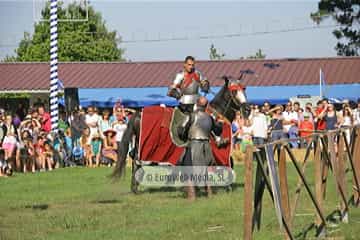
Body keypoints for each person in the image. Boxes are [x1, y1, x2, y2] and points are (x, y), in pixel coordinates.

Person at [177, 96, 227, 200]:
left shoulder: (191, 116)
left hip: (193, 145)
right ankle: (209, 194)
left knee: (188, 169)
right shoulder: (210, 118)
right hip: (206, 146)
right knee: (206, 170)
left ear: (197, 104)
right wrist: (220, 124)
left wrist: (183, 136)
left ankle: (192, 196)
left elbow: (181, 131)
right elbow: (217, 131)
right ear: (206, 105)